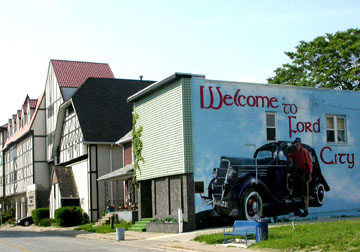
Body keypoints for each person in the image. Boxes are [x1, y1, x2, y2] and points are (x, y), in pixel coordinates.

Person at [288, 137, 313, 217]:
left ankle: (306, 210)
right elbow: (290, 156)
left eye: (297, 143)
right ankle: (297, 209)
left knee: (305, 190)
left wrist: (309, 174)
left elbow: (309, 163)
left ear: (300, 144)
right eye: (295, 144)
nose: (296, 145)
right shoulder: (295, 152)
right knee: (294, 187)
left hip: (304, 172)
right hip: (297, 172)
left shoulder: (305, 152)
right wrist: (290, 157)